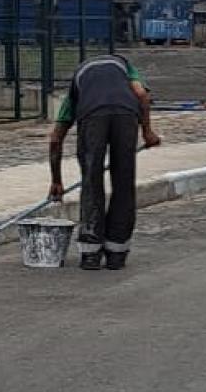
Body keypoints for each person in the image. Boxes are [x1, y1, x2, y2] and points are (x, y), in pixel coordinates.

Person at [48, 53, 160, 270]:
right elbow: (141, 95)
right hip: (126, 116)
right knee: (123, 183)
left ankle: (91, 253)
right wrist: (147, 132)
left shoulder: (78, 84)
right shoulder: (124, 66)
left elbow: (55, 139)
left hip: (92, 118)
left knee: (91, 181)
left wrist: (56, 181)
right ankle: (117, 253)